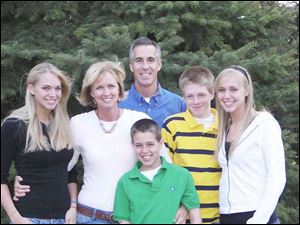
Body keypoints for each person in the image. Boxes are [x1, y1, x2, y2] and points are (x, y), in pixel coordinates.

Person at [13, 60, 184, 224]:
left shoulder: (139, 120)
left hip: (134, 216)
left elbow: (167, 168)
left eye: (111, 86)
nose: (106, 92)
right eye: (99, 87)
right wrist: (25, 181)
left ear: (119, 89)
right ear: (91, 93)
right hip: (89, 216)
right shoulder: (78, 124)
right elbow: (60, 167)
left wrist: (184, 205)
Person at [1, 62, 77, 224]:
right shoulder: (15, 126)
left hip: (63, 218)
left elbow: (69, 172)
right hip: (29, 218)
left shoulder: (64, 125)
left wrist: (73, 206)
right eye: (46, 88)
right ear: (31, 89)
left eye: (57, 88)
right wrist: (15, 217)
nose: (53, 94)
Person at [214, 65, 286, 224]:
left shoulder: (264, 124)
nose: (226, 95)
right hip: (227, 217)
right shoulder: (225, 126)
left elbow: (277, 178)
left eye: (233, 89)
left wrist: (258, 220)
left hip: (256, 217)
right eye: (221, 90)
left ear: (246, 91)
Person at [162, 66, 221, 224]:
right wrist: (181, 203)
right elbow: (164, 171)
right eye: (190, 96)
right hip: (182, 214)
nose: (196, 101)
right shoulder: (172, 125)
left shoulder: (225, 125)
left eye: (201, 95)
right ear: (183, 97)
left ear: (212, 93)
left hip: (219, 214)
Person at [113, 118, 202, 224]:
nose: (145, 150)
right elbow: (124, 220)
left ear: (160, 144)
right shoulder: (125, 182)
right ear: (133, 146)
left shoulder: (181, 175)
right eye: (139, 145)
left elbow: (195, 214)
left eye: (150, 144)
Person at [119, 37, 186, 127]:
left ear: (159, 65)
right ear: (131, 66)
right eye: (139, 60)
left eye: (151, 60)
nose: (145, 66)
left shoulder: (179, 105)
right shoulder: (118, 104)